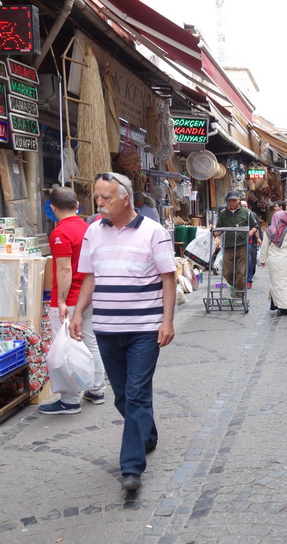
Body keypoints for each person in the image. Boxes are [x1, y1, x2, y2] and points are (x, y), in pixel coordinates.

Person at [69, 172, 176, 492]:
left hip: (145, 329)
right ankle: (147, 433)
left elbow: (168, 278)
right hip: (106, 328)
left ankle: (131, 467)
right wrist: (77, 312)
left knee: (138, 392)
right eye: (97, 197)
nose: (99, 203)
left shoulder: (154, 232)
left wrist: (167, 321)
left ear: (126, 198)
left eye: (106, 198)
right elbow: (89, 277)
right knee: (125, 395)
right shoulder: (92, 232)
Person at [38, 187, 107, 415]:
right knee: (91, 342)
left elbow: (65, 270)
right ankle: (97, 390)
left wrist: (60, 300)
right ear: (77, 206)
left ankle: (69, 400)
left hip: (71, 299)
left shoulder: (60, 233)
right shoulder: (88, 229)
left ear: (53, 208)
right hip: (90, 296)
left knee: (64, 347)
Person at [259, 210, 287, 316]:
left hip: (273, 260)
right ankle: (284, 306)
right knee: (286, 282)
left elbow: (265, 246)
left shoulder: (269, 231)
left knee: (275, 282)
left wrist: (262, 260)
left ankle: (277, 304)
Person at [214, 191, 258, 297]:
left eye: (234, 200)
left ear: (238, 200)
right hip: (228, 245)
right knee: (227, 272)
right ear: (227, 201)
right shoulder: (223, 213)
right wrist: (216, 233)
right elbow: (219, 227)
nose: (232, 202)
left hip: (242, 245)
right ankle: (235, 287)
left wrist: (250, 233)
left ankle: (239, 295)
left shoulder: (247, 212)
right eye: (230, 200)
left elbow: (254, 226)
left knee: (241, 272)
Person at [241, 200, 260, 289]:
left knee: (248, 260)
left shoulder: (251, 214)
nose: (244, 208)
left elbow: (255, 227)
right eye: (242, 206)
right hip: (236, 242)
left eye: (245, 206)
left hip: (248, 241)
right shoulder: (237, 215)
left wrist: (258, 238)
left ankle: (248, 280)